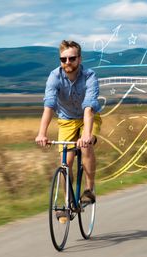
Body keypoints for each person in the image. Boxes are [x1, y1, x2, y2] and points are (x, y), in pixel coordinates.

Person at [35, 39, 102, 206]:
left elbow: (89, 107)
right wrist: (42, 133)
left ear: (79, 59)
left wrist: (86, 134)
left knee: (86, 147)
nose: (67, 62)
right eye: (63, 59)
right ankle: (68, 201)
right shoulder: (54, 77)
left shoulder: (89, 76)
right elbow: (49, 106)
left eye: (72, 58)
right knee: (66, 162)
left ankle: (89, 189)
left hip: (88, 117)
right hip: (66, 120)